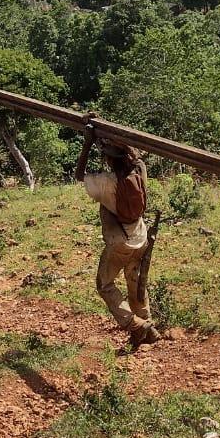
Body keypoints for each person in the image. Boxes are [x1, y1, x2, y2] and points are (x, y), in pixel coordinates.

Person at [74, 122, 161, 347]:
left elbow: (79, 175)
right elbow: (138, 156)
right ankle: (148, 328)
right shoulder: (139, 171)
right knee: (135, 284)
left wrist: (87, 142)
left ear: (109, 159)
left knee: (104, 284)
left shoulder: (106, 182)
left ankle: (136, 325)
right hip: (141, 238)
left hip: (120, 242)